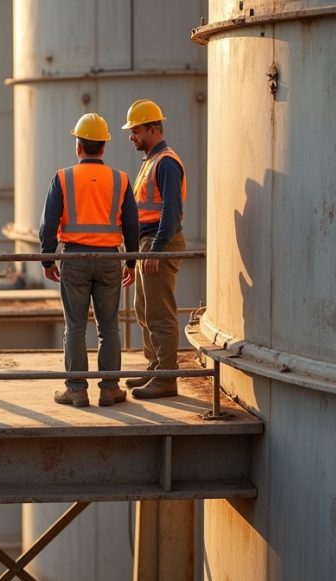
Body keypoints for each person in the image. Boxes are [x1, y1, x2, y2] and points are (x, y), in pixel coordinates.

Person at [40, 113, 140, 408]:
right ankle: (109, 390)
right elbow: (132, 226)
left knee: (75, 326)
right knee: (109, 326)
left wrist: (48, 260)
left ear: (78, 146)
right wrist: (131, 262)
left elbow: (49, 223)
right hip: (110, 258)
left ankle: (77, 390)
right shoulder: (120, 179)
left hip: (74, 258)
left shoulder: (63, 177)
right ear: (103, 147)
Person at [122, 99, 187, 399]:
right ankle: (155, 367)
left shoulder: (167, 163)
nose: (131, 137)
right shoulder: (151, 161)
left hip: (159, 243)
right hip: (148, 244)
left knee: (160, 313)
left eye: (136, 131)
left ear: (153, 129)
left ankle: (166, 378)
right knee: (144, 310)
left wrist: (155, 250)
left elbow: (171, 212)